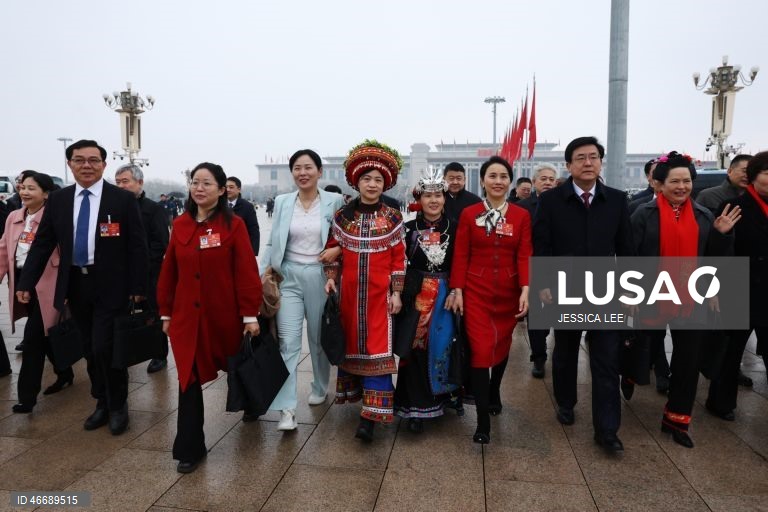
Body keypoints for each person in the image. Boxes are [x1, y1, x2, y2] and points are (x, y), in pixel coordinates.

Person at [16, 139, 148, 436]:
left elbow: (137, 247)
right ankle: (100, 400)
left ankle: (118, 405)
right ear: (70, 164)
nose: (86, 165)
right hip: (75, 284)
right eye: (79, 160)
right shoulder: (60, 201)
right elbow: (43, 243)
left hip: (112, 285)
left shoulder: (122, 200)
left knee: (105, 346)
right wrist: (27, 282)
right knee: (89, 347)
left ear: (103, 164)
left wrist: (139, 286)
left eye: (93, 160)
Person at [157, 162, 262, 473]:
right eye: (195, 182)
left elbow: (245, 271)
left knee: (238, 366)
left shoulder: (235, 225)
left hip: (225, 315)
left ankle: (253, 404)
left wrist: (249, 315)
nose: (199, 188)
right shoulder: (180, 224)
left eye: (206, 183)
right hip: (188, 319)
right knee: (187, 378)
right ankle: (190, 447)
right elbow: (169, 272)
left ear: (221, 189)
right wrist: (165, 311)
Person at [532, 136, 634, 453]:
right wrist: (545, 284)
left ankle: (607, 431)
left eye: (593, 156)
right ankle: (566, 401)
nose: (587, 162)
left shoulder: (617, 200)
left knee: (606, 360)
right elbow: (542, 246)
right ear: (569, 165)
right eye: (580, 157)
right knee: (566, 350)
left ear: (601, 161)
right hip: (565, 288)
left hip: (604, 292)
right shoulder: (551, 201)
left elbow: (627, 249)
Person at [632, 151, 739, 448]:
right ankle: (628, 375)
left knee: (687, 361)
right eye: (675, 181)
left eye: (687, 180)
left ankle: (677, 419)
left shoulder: (705, 217)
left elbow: (714, 261)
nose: (682, 186)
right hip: (651, 294)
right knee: (641, 347)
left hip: (692, 298)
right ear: (659, 184)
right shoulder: (643, 214)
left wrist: (721, 236)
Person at [323, 140, 406, 443]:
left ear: (386, 183)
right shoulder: (343, 217)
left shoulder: (394, 218)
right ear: (356, 181)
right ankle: (361, 402)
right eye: (367, 178)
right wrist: (331, 277)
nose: (372, 184)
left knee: (378, 351)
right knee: (353, 348)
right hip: (348, 298)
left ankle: (370, 418)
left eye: (378, 180)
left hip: (379, 299)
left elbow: (399, 259)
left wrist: (397, 293)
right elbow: (332, 249)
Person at [449, 155, 531, 444]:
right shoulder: (470, 213)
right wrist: (457, 289)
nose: (498, 181)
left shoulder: (521, 216)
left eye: (503, 176)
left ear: (510, 181)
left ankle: (495, 388)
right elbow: (461, 254)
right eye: (492, 176)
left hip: (508, 292)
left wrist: (525, 288)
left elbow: (524, 253)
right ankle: (482, 420)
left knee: (502, 343)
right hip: (476, 292)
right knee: (482, 350)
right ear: (482, 180)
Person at [261, 149, 345, 430]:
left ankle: (320, 386)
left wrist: (336, 249)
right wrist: (264, 273)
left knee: (318, 337)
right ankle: (286, 409)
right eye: (297, 168)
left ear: (320, 172)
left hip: (322, 277)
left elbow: (344, 236)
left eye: (309, 167)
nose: (303, 173)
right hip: (289, 277)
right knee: (288, 342)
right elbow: (273, 241)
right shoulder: (284, 202)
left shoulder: (334, 201)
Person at [0, 171, 74, 407]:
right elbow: (3, 250)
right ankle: (65, 372)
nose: (24, 192)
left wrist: (67, 290)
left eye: (31, 188)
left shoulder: (56, 217)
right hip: (22, 282)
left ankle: (27, 398)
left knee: (32, 338)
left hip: (49, 283)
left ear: (45, 193)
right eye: (22, 187)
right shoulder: (13, 217)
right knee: (45, 334)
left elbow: (66, 255)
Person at [394, 170, 458, 433]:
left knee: (444, 345)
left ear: (444, 198)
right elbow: (397, 263)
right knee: (415, 348)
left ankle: (445, 398)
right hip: (417, 295)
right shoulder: (408, 230)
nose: (433, 200)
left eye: (438, 195)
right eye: (428, 195)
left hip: (447, 295)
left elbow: (462, 262)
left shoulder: (455, 228)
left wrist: (456, 290)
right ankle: (414, 407)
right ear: (419, 199)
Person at [706, 151, 768, 422]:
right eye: (767, 172)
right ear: (753, 177)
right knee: (730, 352)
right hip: (739, 288)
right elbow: (718, 252)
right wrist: (721, 233)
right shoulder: (734, 206)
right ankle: (720, 402)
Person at [114, 164, 170, 374]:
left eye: (125, 181)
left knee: (153, 315)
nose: (120, 186)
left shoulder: (153, 209)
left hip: (149, 275)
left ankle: (159, 354)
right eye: (117, 182)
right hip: (120, 274)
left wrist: (141, 268)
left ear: (140, 182)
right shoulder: (112, 210)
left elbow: (160, 243)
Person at [518, 164, 557, 378]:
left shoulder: (563, 205)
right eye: (543, 178)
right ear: (534, 182)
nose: (548, 182)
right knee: (535, 316)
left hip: (558, 268)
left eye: (552, 179)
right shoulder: (524, 207)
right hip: (532, 268)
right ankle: (539, 357)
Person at [226, 176, 260, 255]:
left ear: (239, 189)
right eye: (226, 187)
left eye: (231, 187)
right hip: (223, 249)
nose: (228, 190)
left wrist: (253, 252)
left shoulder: (247, 207)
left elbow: (254, 230)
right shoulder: (218, 205)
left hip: (241, 249)